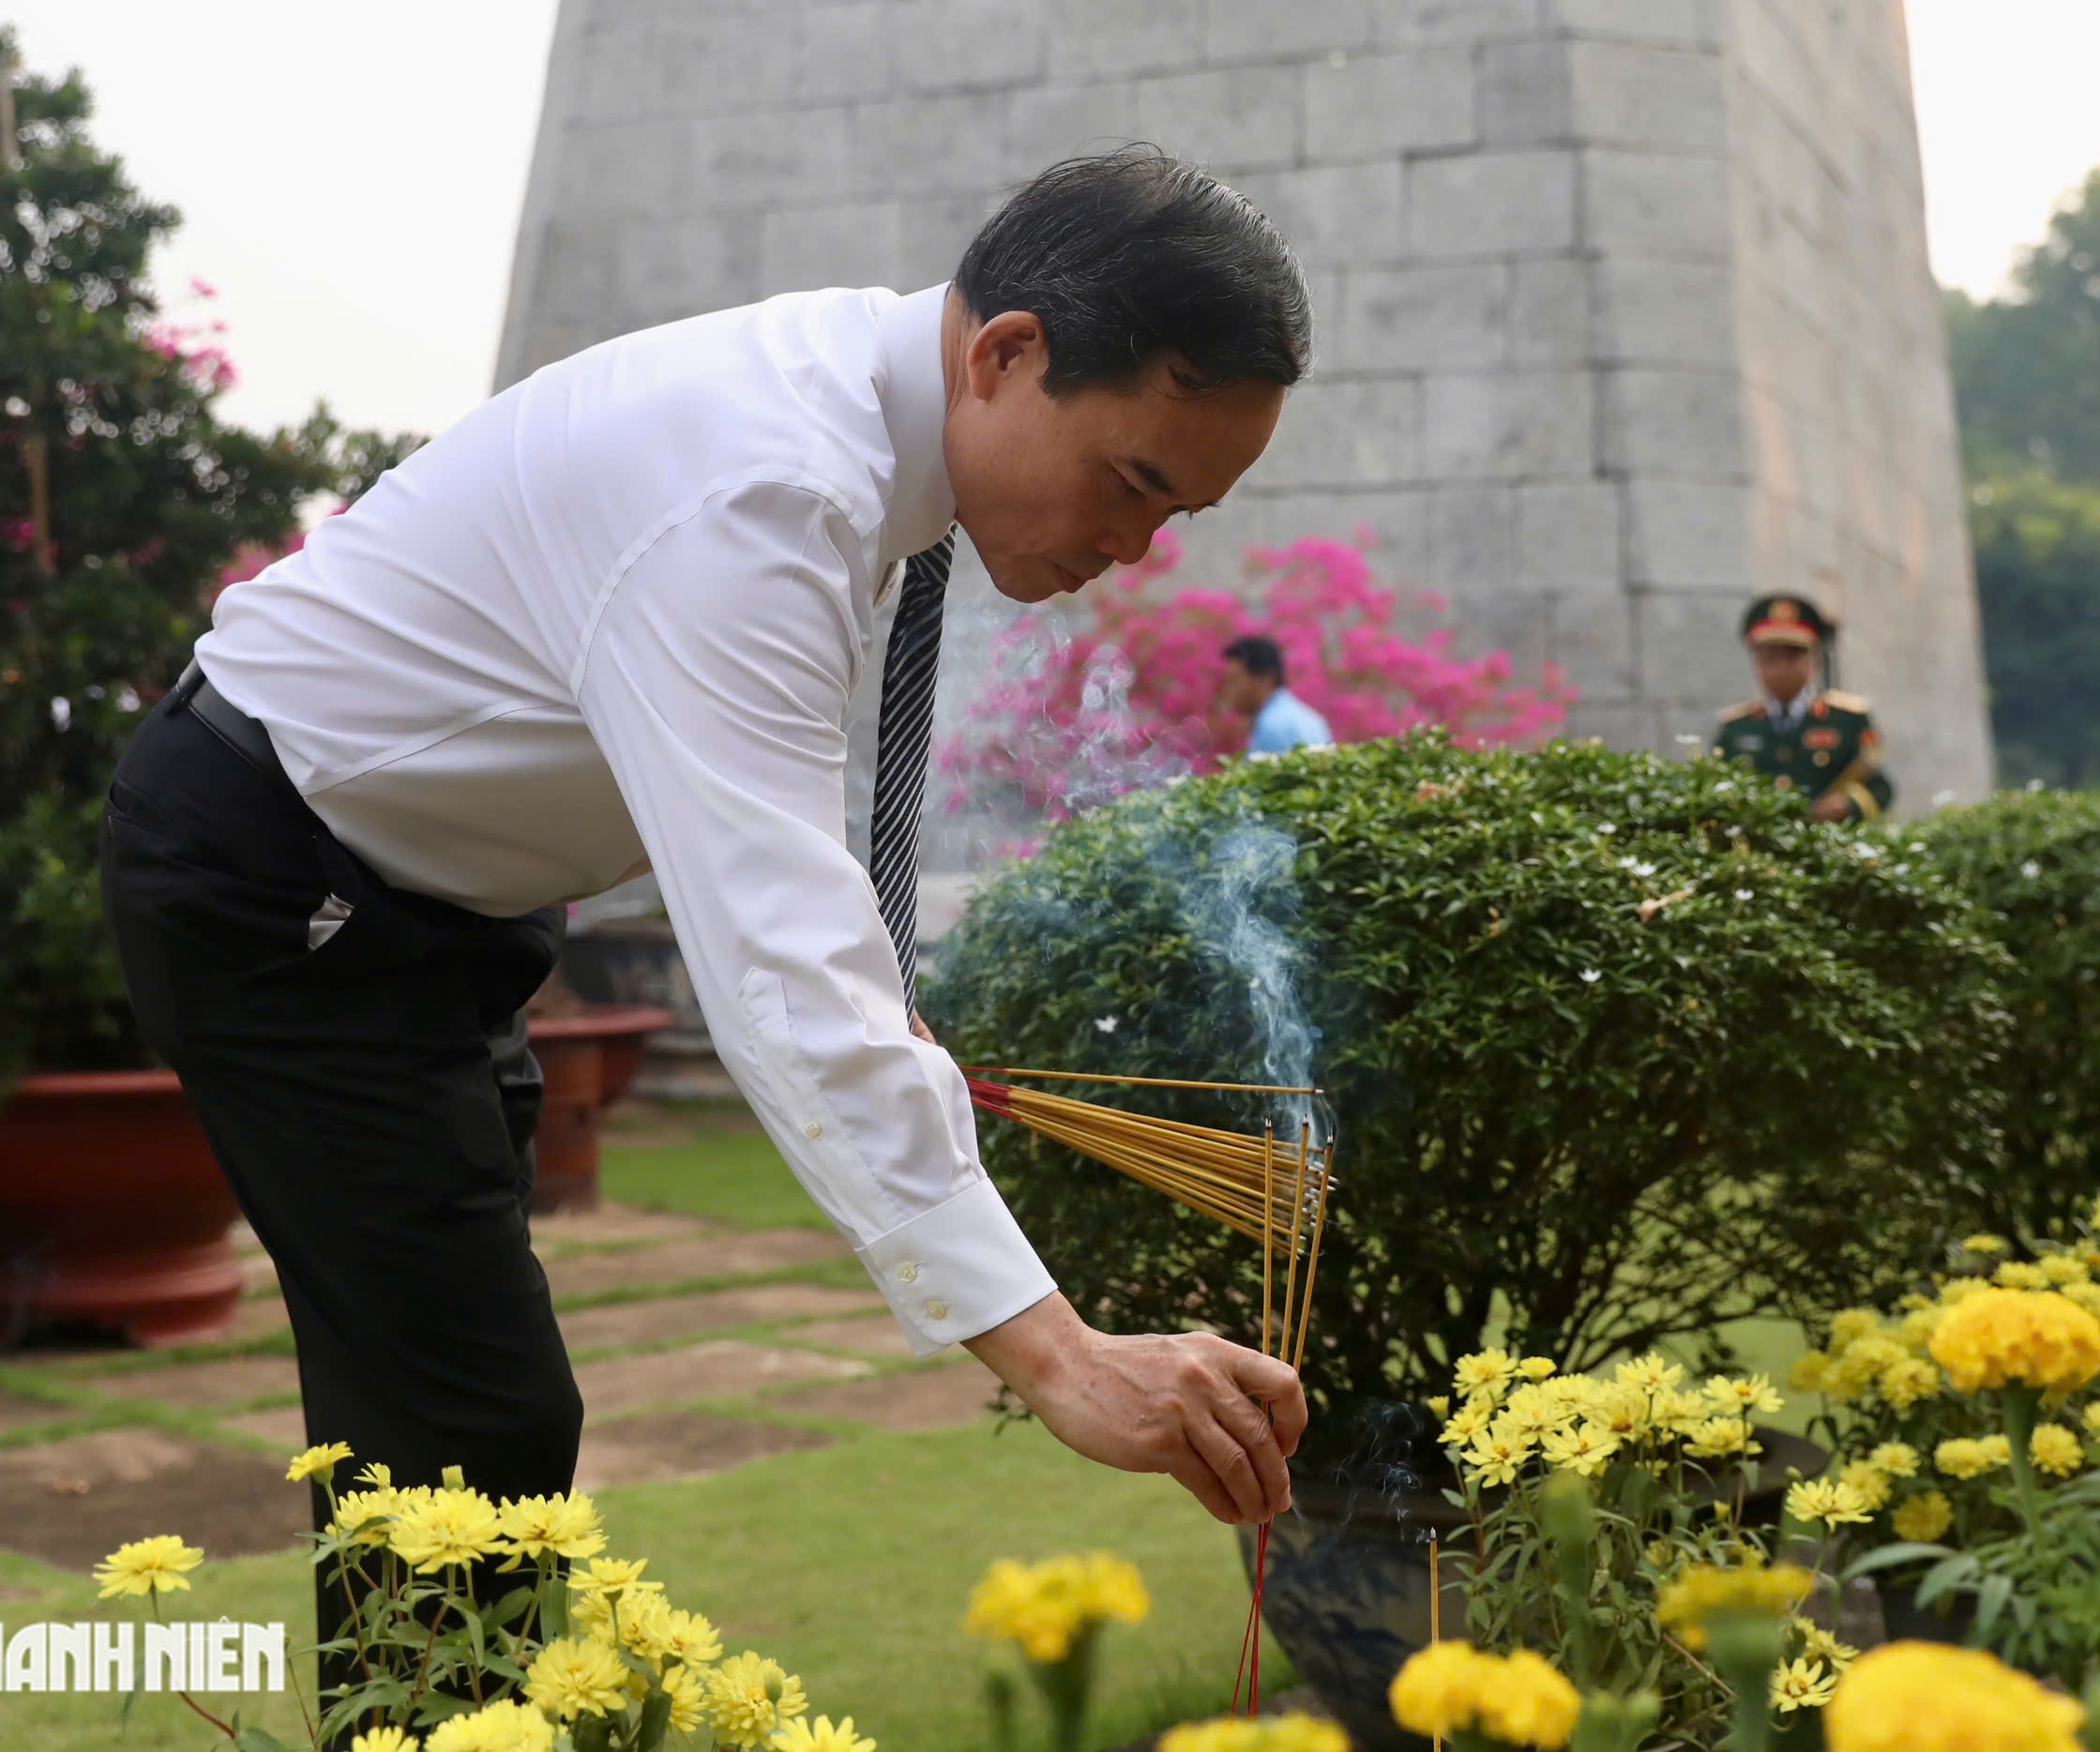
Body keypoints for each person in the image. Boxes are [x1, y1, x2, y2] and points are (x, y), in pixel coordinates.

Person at [98, 146, 1312, 1726]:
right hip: (282, 878)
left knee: (446, 1416)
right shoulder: (758, 486)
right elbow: (779, 970)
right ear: (1007, 354)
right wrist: (1059, 1354)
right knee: (471, 1419)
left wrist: (893, 1008)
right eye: (1136, 483)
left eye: (1179, 513)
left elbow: (811, 876)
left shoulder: (864, 440)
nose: (1134, 549)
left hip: (434, 907)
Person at [1711, 594, 1893, 821]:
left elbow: (1881, 788)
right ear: (1756, 662)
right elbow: (1713, 790)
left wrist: (1847, 805)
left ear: (1814, 660)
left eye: (1792, 657)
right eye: (1769, 658)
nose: (1780, 669)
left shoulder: (1847, 720)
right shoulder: (1736, 727)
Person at [1221, 634, 1332, 754]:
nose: (1228, 690)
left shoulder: (1272, 726)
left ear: (1266, 679)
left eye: (1234, 681)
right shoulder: (1309, 717)